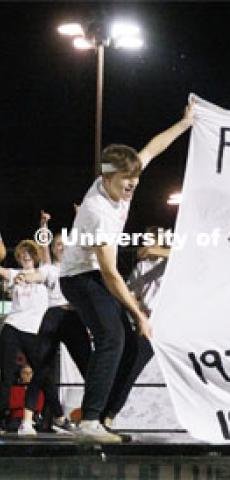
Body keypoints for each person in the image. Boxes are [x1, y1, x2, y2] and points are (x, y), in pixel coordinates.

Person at [60, 103, 194, 443]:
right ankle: (89, 420)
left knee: (136, 345)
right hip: (79, 278)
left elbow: (152, 147)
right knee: (112, 337)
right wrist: (138, 312)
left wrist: (185, 123)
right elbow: (109, 273)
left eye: (135, 180)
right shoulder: (98, 211)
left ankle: (104, 416)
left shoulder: (119, 175)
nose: (132, 187)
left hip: (95, 276)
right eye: (125, 182)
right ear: (106, 179)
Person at [17, 212, 93, 436]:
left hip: (74, 318)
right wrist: (25, 277)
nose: (61, 246)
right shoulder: (51, 268)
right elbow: (39, 269)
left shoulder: (79, 267)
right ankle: (27, 422)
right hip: (53, 317)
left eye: (64, 244)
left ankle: (92, 419)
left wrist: (81, 218)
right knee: (41, 369)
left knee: (89, 368)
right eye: (57, 244)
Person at [100, 227, 170, 430]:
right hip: (149, 323)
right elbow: (129, 292)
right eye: (146, 240)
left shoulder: (171, 263)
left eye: (152, 239)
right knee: (129, 369)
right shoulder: (142, 266)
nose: (148, 244)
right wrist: (138, 311)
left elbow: (183, 253)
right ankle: (107, 415)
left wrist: (155, 251)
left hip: (169, 322)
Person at [0, 240, 64, 433]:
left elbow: (46, 253)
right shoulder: (14, 274)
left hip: (34, 331)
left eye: (29, 252)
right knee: (7, 375)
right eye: (22, 253)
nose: (26, 256)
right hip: (12, 326)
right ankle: (1, 419)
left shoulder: (45, 272)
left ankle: (58, 416)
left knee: (43, 374)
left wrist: (44, 228)